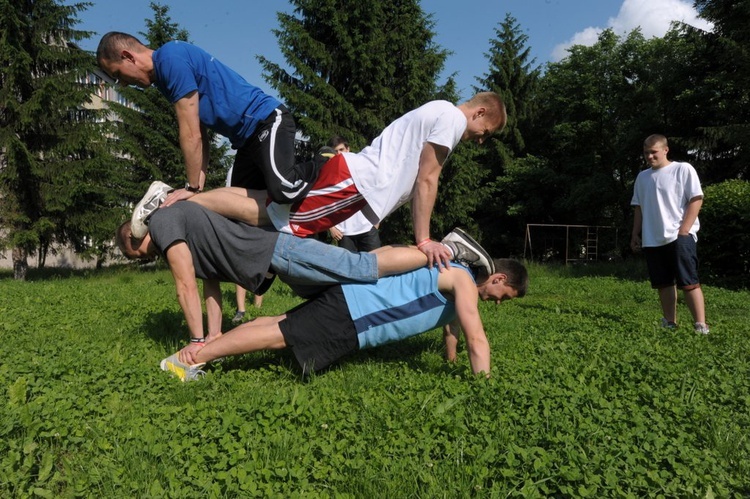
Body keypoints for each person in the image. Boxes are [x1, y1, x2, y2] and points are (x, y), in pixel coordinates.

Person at [116, 192, 493, 363]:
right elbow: (207, 283)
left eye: (135, 252)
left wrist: (196, 341)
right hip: (273, 261)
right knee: (356, 274)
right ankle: (210, 351)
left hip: (277, 251)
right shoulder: (186, 229)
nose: (142, 258)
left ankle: (447, 248)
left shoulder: (166, 222)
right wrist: (210, 337)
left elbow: (184, 285)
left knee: (361, 267)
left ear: (138, 234)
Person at [176, 92, 507, 269]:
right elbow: (427, 179)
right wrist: (423, 239)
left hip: (355, 183)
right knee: (271, 214)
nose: (480, 140)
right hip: (355, 181)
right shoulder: (450, 118)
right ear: (479, 113)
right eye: (485, 133)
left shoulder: (440, 110)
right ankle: (187, 200)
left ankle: (191, 200)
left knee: (270, 207)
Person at [96, 32, 321, 237]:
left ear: (128, 56)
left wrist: (191, 188)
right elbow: (200, 132)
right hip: (245, 140)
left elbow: (190, 134)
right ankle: (262, 271)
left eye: (118, 75)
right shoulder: (164, 75)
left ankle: (325, 160)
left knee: (284, 189)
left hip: (266, 120)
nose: (123, 84)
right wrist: (197, 187)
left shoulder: (170, 59)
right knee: (238, 217)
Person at [159, 257, 528, 381]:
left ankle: (206, 345)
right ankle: (189, 360)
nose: (497, 304)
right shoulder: (463, 279)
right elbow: (476, 339)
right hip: (355, 314)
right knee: (279, 334)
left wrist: (451, 361)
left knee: (280, 322)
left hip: (351, 303)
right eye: (503, 297)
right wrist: (485, 389)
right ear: (498, 279)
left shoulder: (459, 279)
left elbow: (454, 329)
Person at [630, 134, 709, 334]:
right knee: (663, 283)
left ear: (666, 150)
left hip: (679, 236)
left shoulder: (682, 169)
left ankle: (700, 325)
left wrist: (684, 230)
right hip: (652, 239)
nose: (649, 156)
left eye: (653, 152)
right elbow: (638, 207)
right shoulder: (642, 177)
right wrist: (635, 234)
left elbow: (696, 199)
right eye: (646, 153)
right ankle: (670, 322)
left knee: (688, 282)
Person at [325, 136, 382, 252]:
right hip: (344, 232)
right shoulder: (327, 173)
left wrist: (377, 220)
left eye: (341, 150)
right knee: (349, 268)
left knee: (375, 265)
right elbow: (324, 201)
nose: (338, 154)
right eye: (335, 151)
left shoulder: (361, 166)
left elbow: (377, 191)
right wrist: (331, 228)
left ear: (348, 149)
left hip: (367, 227)